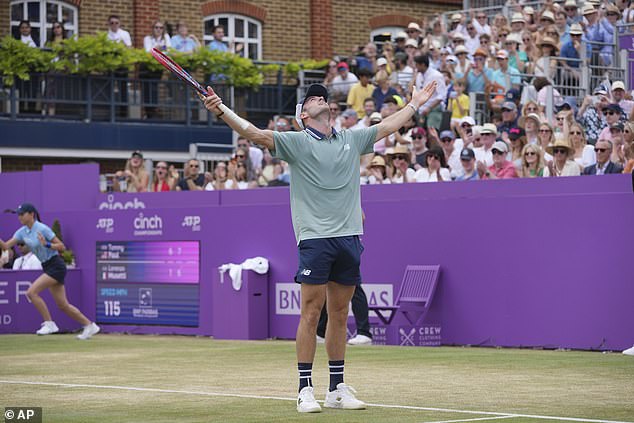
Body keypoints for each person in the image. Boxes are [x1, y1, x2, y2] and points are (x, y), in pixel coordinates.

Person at [201, 79, 437, 413]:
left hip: (349, 238)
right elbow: (254, 133)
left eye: (322, 97)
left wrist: (415, 105)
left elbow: (387, 125)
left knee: (340, 315)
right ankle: (304, 389)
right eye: (312, 98)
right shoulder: (295, 142)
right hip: (314, 239)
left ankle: (337, 388)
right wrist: (221, 108)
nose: (319, 100)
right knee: (311, 313)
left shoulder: (351, 139)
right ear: (303, 115)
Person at [0, 203, 100, 340]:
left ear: (31, 214)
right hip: (47, 266)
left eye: (22, 214)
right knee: (63, 305)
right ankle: (90, 326)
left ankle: (49, 324)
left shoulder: (42, 228)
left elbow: (61, 246)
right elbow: (5, 246)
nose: (19, 217)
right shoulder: (21, 232)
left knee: (31, 292)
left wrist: (47, 244)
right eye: (18, 214)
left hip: (56, 265)